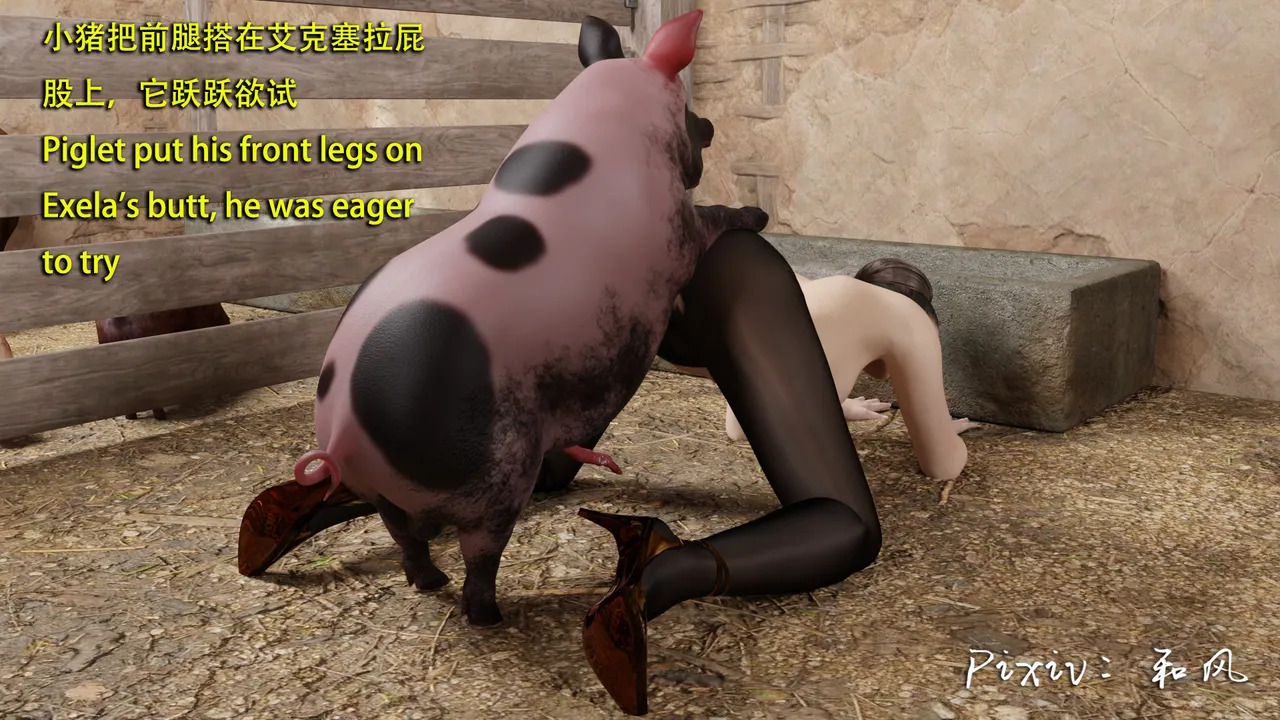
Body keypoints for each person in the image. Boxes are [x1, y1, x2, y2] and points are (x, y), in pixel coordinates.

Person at [236, 230, 965, 717]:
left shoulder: (825, 287)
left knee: (547, 466)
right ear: (918, 302)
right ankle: (664, 570)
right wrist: (944, 433)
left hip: (634, 269)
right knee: (847, 522)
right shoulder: (904, 316)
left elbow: (763, 389)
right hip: (720, 281)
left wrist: (836, 405)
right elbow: (939, 457)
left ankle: (345, 486)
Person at [712, 260, 977, 480]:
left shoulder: (812, 293)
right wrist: (938, 431)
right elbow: (943, 467)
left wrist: (837, 407)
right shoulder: (911, 317)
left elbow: (739, 426)